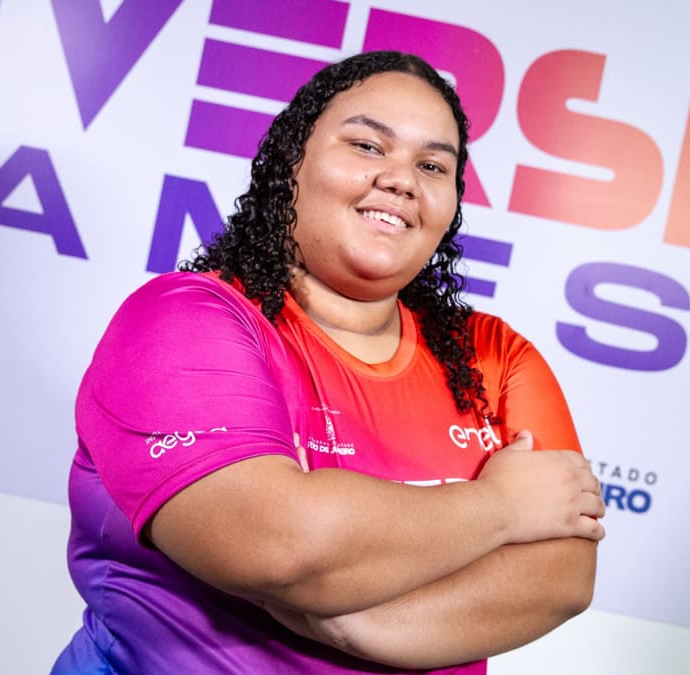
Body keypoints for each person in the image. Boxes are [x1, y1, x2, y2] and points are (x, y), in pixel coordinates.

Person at [53, 51, 605, 674]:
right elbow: (274, 544)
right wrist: (502, 509)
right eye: (368, 147)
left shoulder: (495, 357)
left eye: (431, 165)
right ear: (292, 161)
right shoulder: (184, 321)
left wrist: (353, 623)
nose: (402, 180)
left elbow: (560, 577)